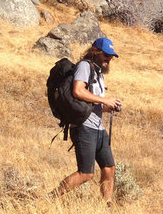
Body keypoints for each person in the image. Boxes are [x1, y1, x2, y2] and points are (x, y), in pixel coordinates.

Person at [52, 37, 122, 204]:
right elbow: (78, 91)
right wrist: (104, 100)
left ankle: (107, 206)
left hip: (97, 127)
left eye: (111, 56)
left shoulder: (98, 73)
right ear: (95, 51)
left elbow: (91, 102)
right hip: (84, 127)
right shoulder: (84, 66)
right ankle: (49, 198)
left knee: (109, 168)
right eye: (106, 55)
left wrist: (108, 106)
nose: (109, 59)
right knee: (86, 173)